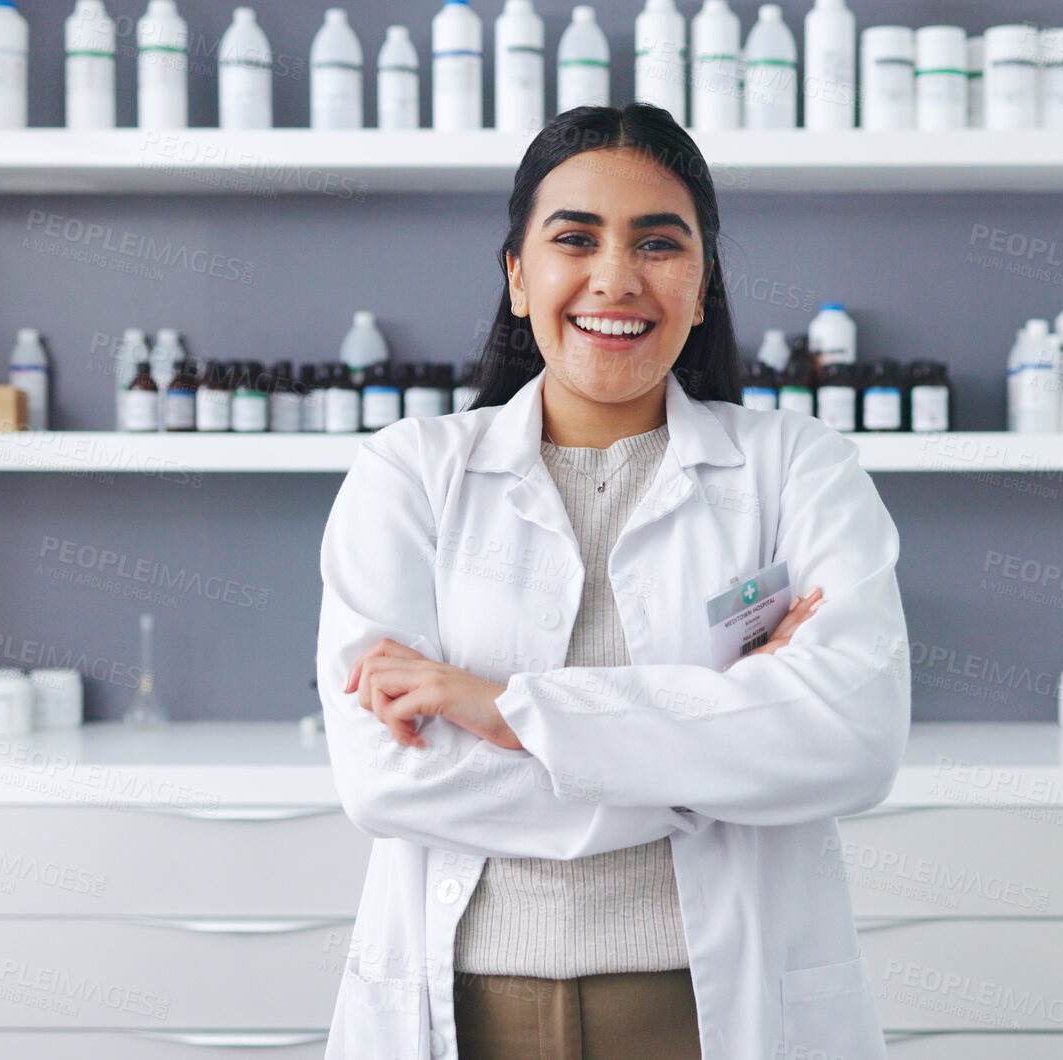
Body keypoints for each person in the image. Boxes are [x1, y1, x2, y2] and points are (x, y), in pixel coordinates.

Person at [317, 103, 910, 1060]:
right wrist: (720, 752)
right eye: (574, 239)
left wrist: (506, 710)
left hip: (713, 1009)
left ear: (702, 285)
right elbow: (386, 778)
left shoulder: (796, 467)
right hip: (471, 1010)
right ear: (518, 276)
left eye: (658, 243)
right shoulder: (410, 473)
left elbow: (850, 741)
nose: (616, 278)